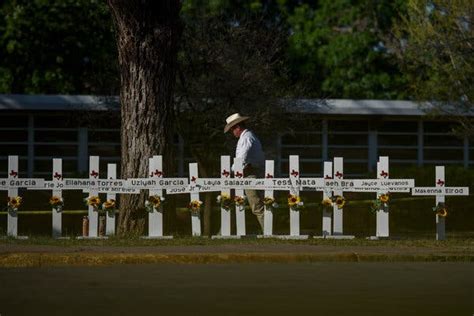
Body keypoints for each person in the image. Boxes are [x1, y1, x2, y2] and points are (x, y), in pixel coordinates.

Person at [224, 113, 265, 232]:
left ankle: (268, 231)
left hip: (249, 173)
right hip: (250, 171)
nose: (233, 132)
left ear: (237, 127)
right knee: (254, 203)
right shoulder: (248, 136)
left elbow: (242, 158)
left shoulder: (246, 138)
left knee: (256, 205)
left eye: (232, 129)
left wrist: (231, 170)